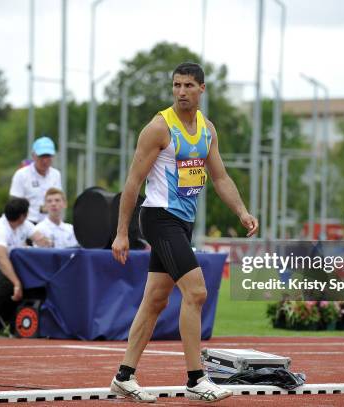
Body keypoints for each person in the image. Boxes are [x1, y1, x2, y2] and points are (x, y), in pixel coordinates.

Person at [109, 62, 258, 403]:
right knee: (196, 292)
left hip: (182, 223)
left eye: (188, 85)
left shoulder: (207, 129)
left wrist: (242, 211)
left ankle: (123, 377)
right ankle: (196, 379)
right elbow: (133, 182)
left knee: (155, 300)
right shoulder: (159, 127)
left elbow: (219, 177)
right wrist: (122, 233)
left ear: (202, 88)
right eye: (176, 85)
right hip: (159, 217)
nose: (181, 92)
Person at [0, 197, 46, 335]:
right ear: (23, 216)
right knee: (10, 284)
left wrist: (46, 241)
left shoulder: (24, 225)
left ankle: (14, 324)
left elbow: (42, 240)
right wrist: (16, 282)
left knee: (33, 281)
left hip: (9, 269)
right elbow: (2, 260)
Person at [10, 136, 62, 224]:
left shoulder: (56, 174)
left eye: (48, 156)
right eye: (41, 156)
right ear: (33, 156)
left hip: (49, 223)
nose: (45, 160)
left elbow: (58, 200)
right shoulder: (21, 174)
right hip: (27, 223)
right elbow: (15, 204)